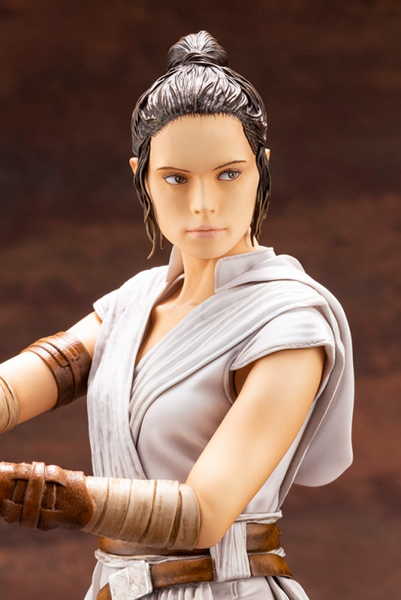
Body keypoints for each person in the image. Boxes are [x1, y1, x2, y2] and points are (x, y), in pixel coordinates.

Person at [0, 31, 354, 600]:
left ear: (261, 169)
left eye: (229, 173)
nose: (203, 203)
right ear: (142, 176)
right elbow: (22, 384)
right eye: (176, 178)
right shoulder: (132, 305)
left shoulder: (290, 325)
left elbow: (202, 514)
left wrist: (27, 491)